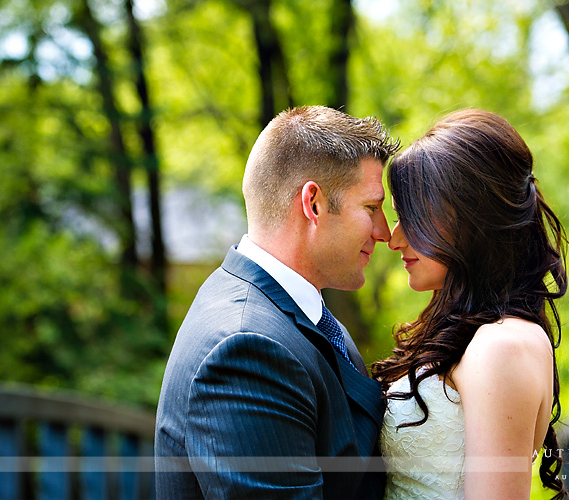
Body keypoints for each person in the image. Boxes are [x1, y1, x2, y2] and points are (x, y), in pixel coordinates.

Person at [155, 105, 399, 499]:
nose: (384, 232)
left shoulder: (301, 315)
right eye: (372, 208)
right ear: (314, 204)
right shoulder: (245, 347)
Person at [374, 109, 569, 500]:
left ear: (465, 220)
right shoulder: (478, 335)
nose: (394, 239)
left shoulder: (503, 346)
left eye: (407, 219)